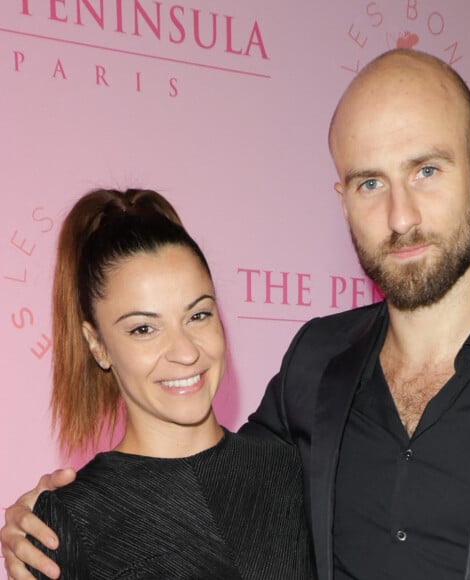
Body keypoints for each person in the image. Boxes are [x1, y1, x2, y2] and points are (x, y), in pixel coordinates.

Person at [3, 48, 470, 579]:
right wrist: (51, 521)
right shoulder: (315, 365)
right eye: (371, 182)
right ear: (343, 200)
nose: (401, 217)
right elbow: (202, 478)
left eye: (426, 170)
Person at [1, 188, 315, 580]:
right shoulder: (65, 524)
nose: (184, 352)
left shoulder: (294, 473)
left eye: (198, 315)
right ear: (97, 345)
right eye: (144, 328)